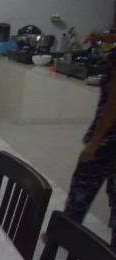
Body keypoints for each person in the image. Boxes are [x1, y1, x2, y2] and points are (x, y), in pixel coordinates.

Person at [61, 32, 116, 248]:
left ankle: (63, 235)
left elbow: (113, 103)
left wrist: (94, 143)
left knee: (82, 188)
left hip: (108, 138)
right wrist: (99, 35)